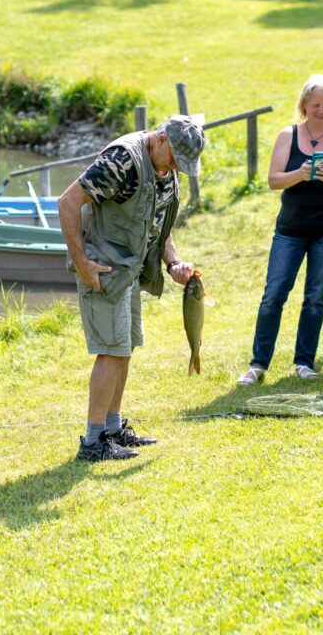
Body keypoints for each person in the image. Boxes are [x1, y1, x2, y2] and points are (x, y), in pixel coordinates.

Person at [58, 115, 206, 461]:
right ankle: (93, 442)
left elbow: (159, 219)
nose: (176, 168)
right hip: (103, 268)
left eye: (183, 165)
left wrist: (173, 262)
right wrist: (82, 263)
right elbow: (67, 202)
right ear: (161, 139)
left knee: (125, 348)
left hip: (129, 269)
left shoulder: (165, 167)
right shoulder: (122, 161)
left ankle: (112, 429)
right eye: (175, 159)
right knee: (110, 351)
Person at [237, 75, 323, 385]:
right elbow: (273, 180)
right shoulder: (287, 135)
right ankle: (258, 363)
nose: (321, 110)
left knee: (315, 297)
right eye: (315, 104)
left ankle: (304, 362)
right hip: (290, 230)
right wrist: (300, 174)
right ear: (304, 104)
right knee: (274, 294)